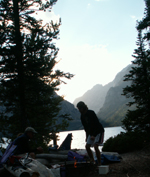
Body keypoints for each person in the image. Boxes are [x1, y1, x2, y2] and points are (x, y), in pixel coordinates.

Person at [77, 101, 104, 166]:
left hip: (98, 131)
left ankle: (99, 163)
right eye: (78, 109)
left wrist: (94, 135)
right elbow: (86, 128)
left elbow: (96, 124)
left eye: (80, 108)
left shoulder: (91, 113)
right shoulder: (82, 116)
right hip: (91, 133)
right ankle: (92, 160)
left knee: (95, 146)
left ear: (83, 107)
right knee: (87, 146)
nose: (79, 110)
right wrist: (87, 136)